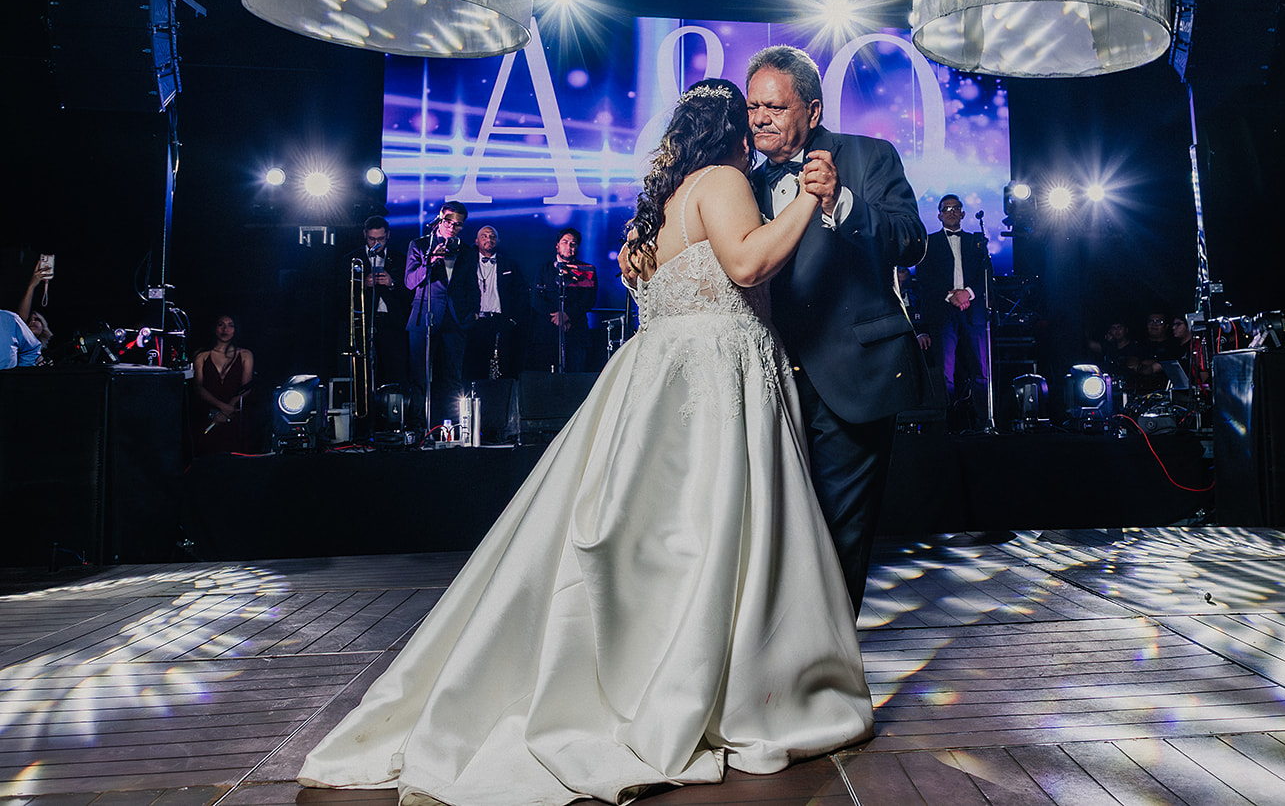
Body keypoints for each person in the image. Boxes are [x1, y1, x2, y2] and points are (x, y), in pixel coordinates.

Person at [299, 80, 872, 806]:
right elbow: (748, 264)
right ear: (730, 132)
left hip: (658, 375)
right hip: (717, 371)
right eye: (749, 119)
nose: (758, 131)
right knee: (720, 531)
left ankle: (650, 673)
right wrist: (809, 202)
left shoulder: (657, 206)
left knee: (662, 539)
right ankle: (715, 685)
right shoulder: (723, 180)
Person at [746, 45, 929, 612]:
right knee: (776, 532)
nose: (760, 119)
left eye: (775, 107)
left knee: (838, 535)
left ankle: (833, 657)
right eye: (753, 107)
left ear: (814, 110)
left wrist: (842, 201)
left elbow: (911, 241)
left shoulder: (869, 156)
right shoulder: (741, 183)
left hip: (854, 373)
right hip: (767, 380)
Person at [915, 194, 992, 430]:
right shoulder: (929, 242)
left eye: (956, 208)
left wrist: (967, 293)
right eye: (946, 208)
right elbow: (924, 276)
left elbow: (987, 274)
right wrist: (951, 296)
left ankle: (984, 423)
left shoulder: (976, 241)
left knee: (981, 370)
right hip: (942, 313)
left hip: (973, 311)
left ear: (963, 213)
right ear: (939, 215)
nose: (951, 212)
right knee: (944, 372)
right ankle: (944, 426)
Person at [453, 225, 531, 381]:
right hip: (475, 322)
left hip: (501, 321)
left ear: (498, 241)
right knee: (474, 368)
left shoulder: (510, 264)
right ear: (476, 241)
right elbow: (457, 290)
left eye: (493, 236)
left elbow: (522, 294)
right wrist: (466, 316)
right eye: (484, 236)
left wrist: (512, 319)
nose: (489, 239)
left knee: (504, 367)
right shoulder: (466, 264)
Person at [348, 215, 410, 392]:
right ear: (364, 235)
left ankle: (394, 406)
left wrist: (392, 283)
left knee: (394, 372)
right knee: (365, 374)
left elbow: (411, 294)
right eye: (372, 239)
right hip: (364, 323)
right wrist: (362, 285)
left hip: (393, 325)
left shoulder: (401, 259)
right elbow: (339, 294)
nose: (376, 243)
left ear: (388, 235)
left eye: (380, 239)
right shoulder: (352, 259)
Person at [532, 228, 598, 372]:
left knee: (575, 375)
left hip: (576, 331)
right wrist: (557, 317)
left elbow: (589, 300)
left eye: (573, 243)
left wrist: (567, 315)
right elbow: (537, 299)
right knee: (546, 376)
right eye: (565, 242)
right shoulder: (543, 269)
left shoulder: (587, 270)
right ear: (557, 245)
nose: (569, 246)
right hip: (547, 333)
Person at [191, 315, 253, 456]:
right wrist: (222, 408)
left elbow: (246, 387)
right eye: (221, 325)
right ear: (214, 328)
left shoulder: (245, 354)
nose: (225, 329)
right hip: (208, 416)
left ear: (236, 329)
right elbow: (198, 388)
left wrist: (228, 409)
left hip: (235, 416)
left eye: (230, 325)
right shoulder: (202, 355)